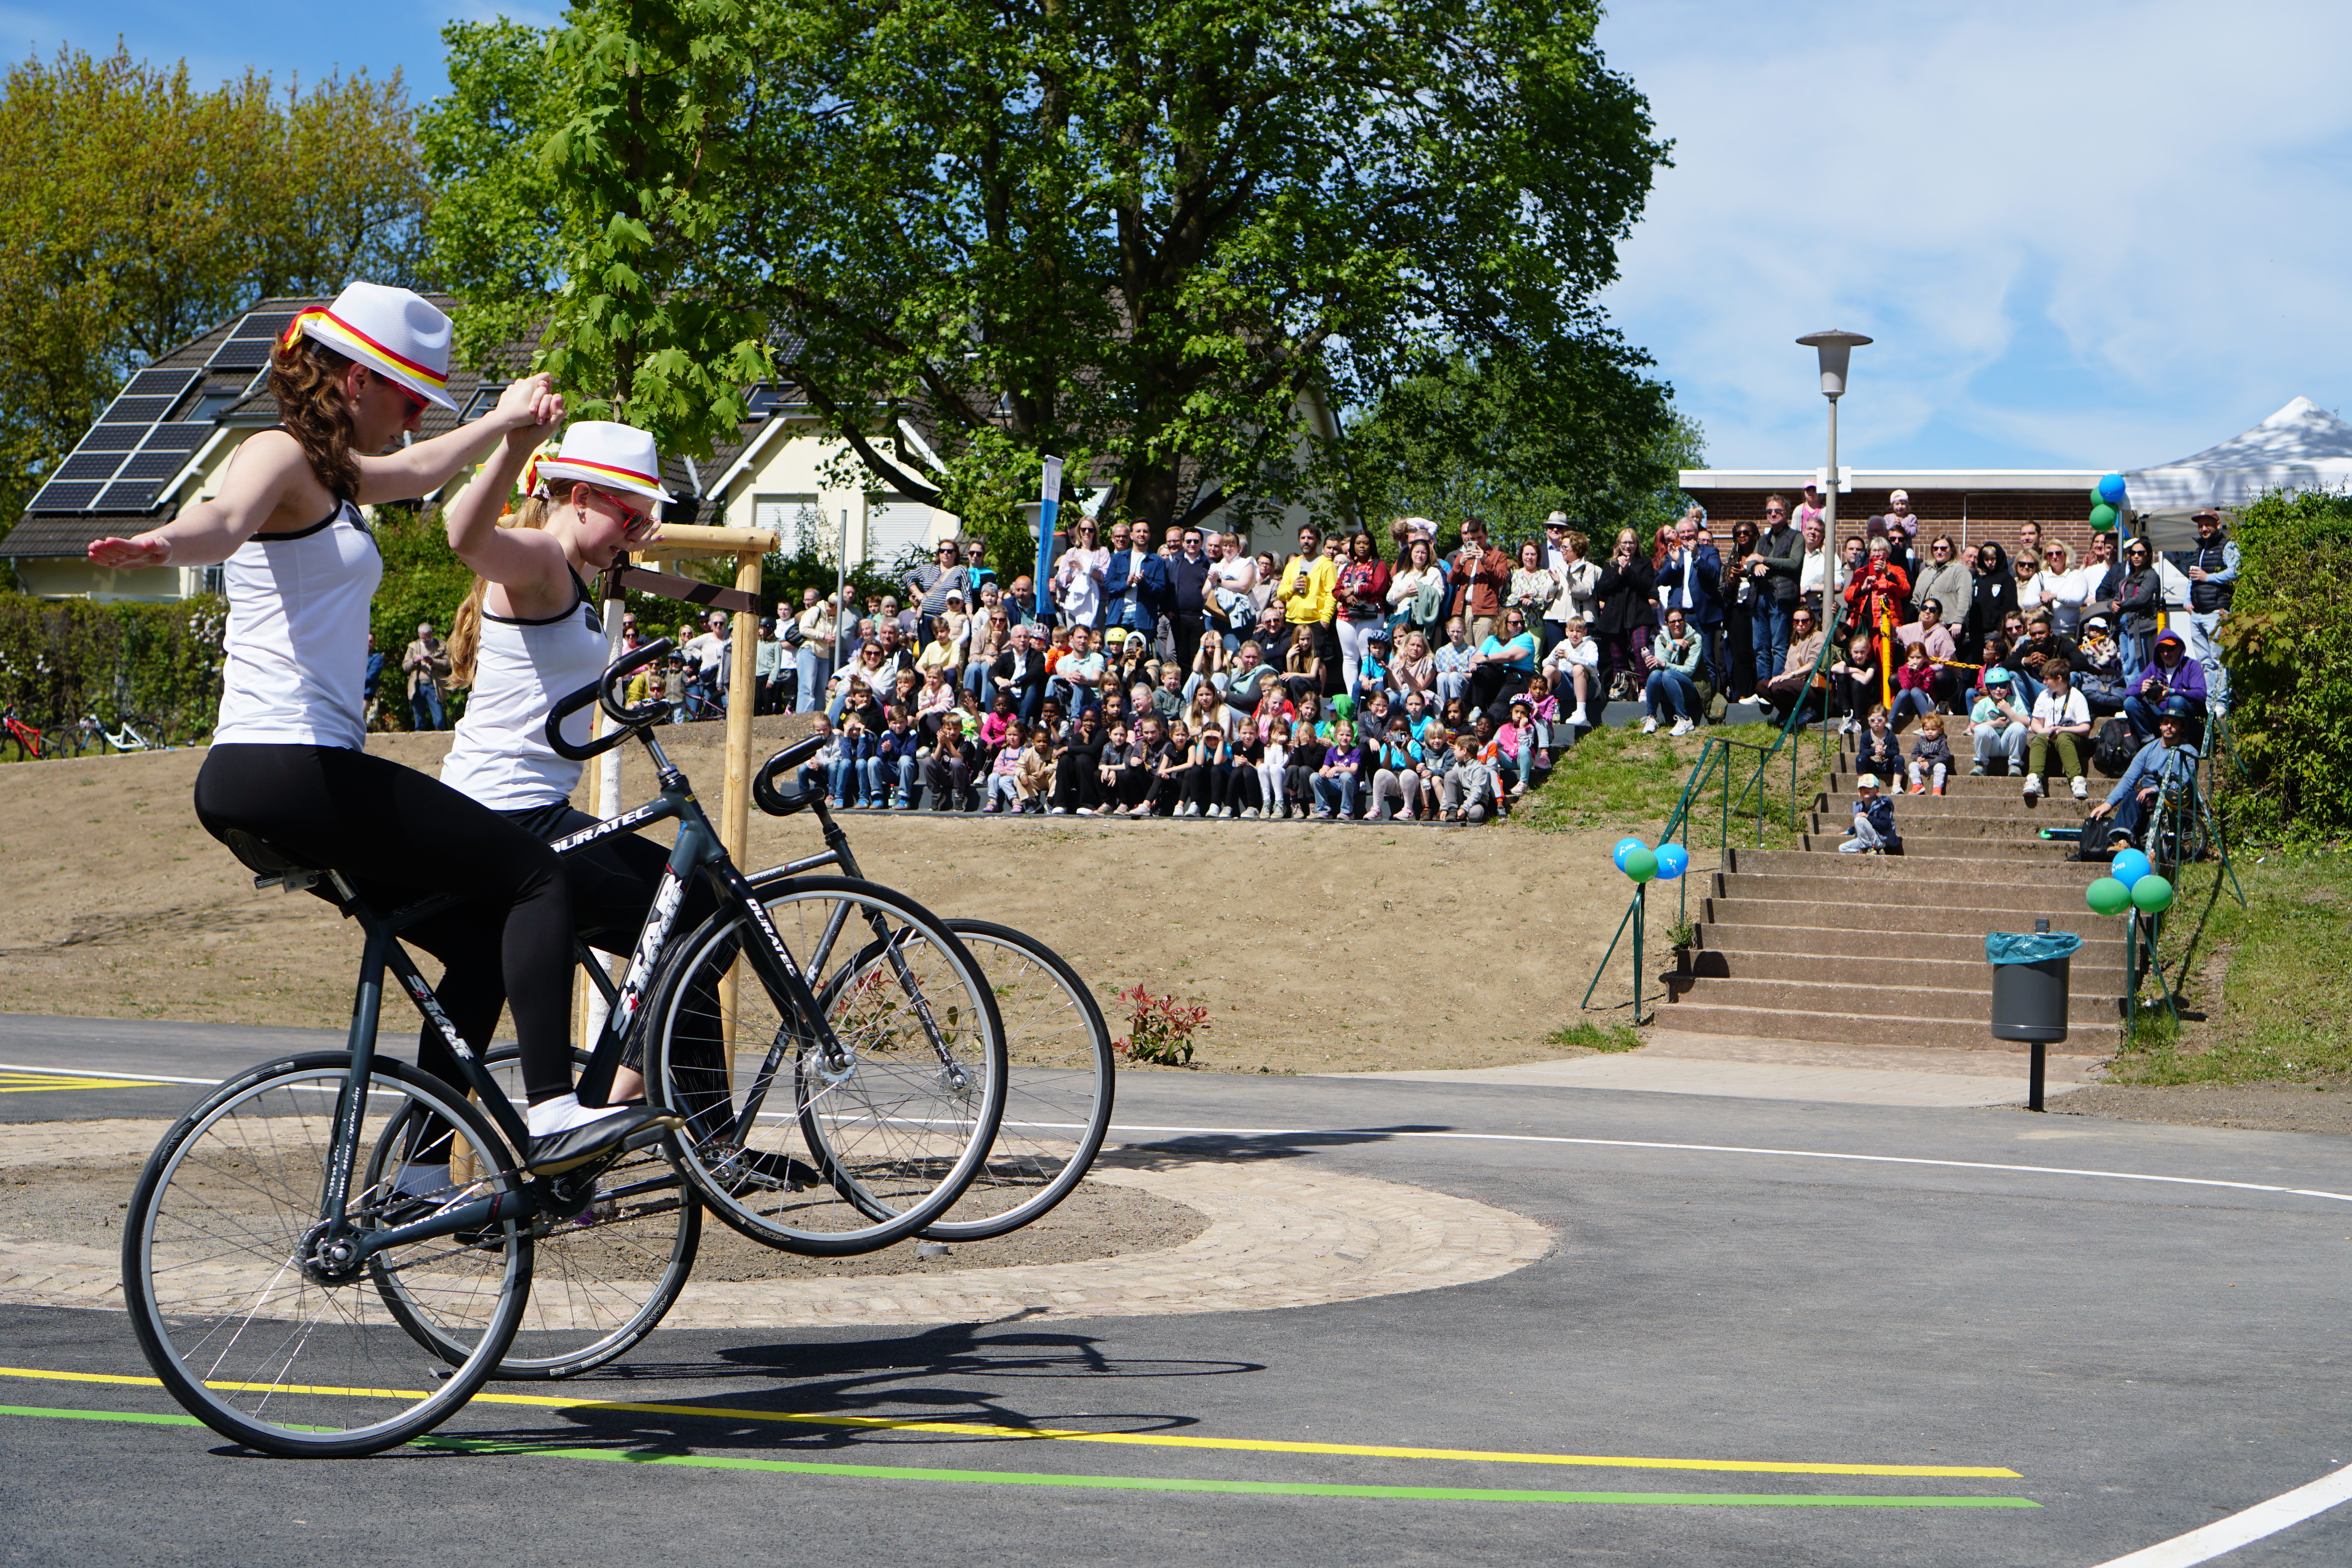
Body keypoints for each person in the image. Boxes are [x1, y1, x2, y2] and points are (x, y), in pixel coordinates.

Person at [86, 283, 668, 1174]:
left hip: (276, 785)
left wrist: (512, 431)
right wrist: (166, 543)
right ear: (355, 381)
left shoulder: (338, 478)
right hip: (288, 770)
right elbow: (223, 520)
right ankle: (555, 1108)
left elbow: (430, 473)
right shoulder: (276, 453)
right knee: (536, 879)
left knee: (480, 942)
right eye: (405, 399)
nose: (412, 418)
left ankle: (419, 1175)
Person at [2085, 697, 2201, 851]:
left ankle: (2149, 849)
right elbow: (2129, 779)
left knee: (2141, 799)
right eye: (2166, 722)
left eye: (2175, 724)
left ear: (2182, 728)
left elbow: (2185, 780)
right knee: (2133, 797)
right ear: (2160, 726)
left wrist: (2156, 790)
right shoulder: (2149, 750)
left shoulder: (2189, 751)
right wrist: (2108, 804)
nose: (2169, 727)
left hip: (2173, 798)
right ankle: (2124, 842)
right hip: (2147, 799)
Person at [1655, 513, 1724, 688]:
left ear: (1697, 532)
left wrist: (1697, 558)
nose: (1687, 535)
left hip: (1703, 616)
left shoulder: (1709, 551)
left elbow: (1714, 575)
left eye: (1690, 532)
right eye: (1683, 532)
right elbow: (1662, 580)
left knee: (1707, 660)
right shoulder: (1674, 553)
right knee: (1680, 659)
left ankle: (1709, 702)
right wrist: (1673, 564)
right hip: (1680, 618)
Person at [1591, 527, 1656, 701]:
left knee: (1641, 649)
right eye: (1625, 542)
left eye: (1631, 542)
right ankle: (1623, 690)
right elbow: (1603, 590)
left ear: (1637, 545)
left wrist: (1629, 572)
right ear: (1619, 544)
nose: (1628, 546)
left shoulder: (1645, 564)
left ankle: (1644, 687)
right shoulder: (1610, 565)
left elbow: (1646, 586)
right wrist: (1620, 573)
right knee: (1618, 659)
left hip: (1639, 615)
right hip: (1615, 618)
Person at [2181, 509, 2238, 706]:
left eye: (2208, 525)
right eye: (2200, 526)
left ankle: (2222, 704)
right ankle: (2210, 705)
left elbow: (2235, 572)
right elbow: (2193, 579)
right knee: (2205, 662)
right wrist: (2187, 600)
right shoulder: (2199, 549)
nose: (2204, 529)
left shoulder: (2228, 546)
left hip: (2217, 611)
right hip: (2197, 614)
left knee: (2219, 660)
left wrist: (2209, 577)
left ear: (2218, 525)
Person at [2024, 658, 2093, 802]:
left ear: (2059, 679)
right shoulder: (2045, 696)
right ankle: (2034, 779)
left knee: (2063, 737)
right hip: (2051, 739)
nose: (2044, 682)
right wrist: (2044, 731)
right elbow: (2036, 722)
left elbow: (2086, 728)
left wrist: (2062, 730)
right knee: (2038, 739)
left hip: (2074, 741)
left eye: (2047, 679)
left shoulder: (2077, 697)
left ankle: (2077, 781)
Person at [1334, 531, 1392, 692]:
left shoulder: (1379, 565)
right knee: (1350, 658)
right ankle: (1354, 695)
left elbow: (1378, 588)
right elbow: (1337, 591)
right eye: (1358, 543)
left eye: (1366, 543)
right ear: (1353, 546)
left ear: (1371, 545)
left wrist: (1354, 590)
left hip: (1370, 614)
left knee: (1369, 656)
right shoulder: (1347, 567)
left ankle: (1372, 695)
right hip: (1346, 615)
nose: (1362, 546)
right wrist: (1347, 597)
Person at [2124, 628, 2209, 739]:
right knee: (2130, 703)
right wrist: (2142, 690)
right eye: (2161, 650)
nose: (2166, 653)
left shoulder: (2192, 665)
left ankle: (2181, 743)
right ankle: (2149, 742)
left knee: (2176, 701)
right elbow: (2129, 691)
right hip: (2163, 717)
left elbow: (2201, 695)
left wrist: (2172, 692)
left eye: (2170, 649)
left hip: (2190, 721)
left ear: (2179, 648)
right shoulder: (2154, 667)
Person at [1754, 604, 1828, 726]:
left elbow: (1813, 665)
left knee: (1778, 688)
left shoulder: (1818, 636)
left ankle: (1810, 710)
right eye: (1796, 621)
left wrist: (1791, 676)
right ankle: (1791, 713)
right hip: (1795, 685)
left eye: (1805, 621)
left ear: (1811, 622)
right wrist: (1778, 679)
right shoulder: (1794, 643)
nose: (1800, 624)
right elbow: (1787, 670)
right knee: (1762, 686)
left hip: (1813, 687)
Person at [1641, 607, 1705, 736]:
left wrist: (1665, 665)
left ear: (1684, 621)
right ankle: (1651, 718)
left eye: (1680, 621)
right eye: (1673, 622)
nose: (1677, 624)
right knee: (1655, 675)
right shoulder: (1661, 640)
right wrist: (1672, 645)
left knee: (1668, 673)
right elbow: (1658, 666)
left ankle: (1684, 720)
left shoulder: (1695, 639)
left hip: (1692, 688)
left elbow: (1689, 671)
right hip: (1668, 687)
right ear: (1667, 624)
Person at [1448, 518, 1511, 644]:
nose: (1476, 542)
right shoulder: (1463, 556)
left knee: (1482, 653)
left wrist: (1485, 561)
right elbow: (1451, 581)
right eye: (1472, 539)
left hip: (1486, 611)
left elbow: (1501, 580)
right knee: (1465, 652)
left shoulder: (1498, 556)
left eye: (1480, 538)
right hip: (1463, 610)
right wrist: (1459, 564)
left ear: (1487, 534)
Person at [1468, 609, 1540, 719]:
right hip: (1500, 674)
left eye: (1522, 622)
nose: (1520, 626)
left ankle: (1491, 722)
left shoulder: (1526, 638)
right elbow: (1476, 657)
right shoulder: (1492, 639)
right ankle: (1476, 709)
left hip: (1519, 676)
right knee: (1481, 672)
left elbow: (1511, 656)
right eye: (1515, 623)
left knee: (1501, 702)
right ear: (1504, 624)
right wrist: (1473, 663)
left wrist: (1486, 658)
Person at [1052, 515, 1110, 629]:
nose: (1087, 532)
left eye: (1091, 530)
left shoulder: (1102, 552)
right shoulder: (1072, 553)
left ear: (1095, 532)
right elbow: (1060, 581)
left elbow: (1105, 577)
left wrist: (1083, 568)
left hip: (1097, 602)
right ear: (1079, 531)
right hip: (1075, 602)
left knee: (1095, 639)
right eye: (1083, 529)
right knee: (1074, 638)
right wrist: (1071, 571)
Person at [1969, 667, 2027, 776]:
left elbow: (2026, 724)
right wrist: (1995, 723)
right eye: (1994, 686)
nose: (1999, 690)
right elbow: (1973, 727)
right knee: (1982, 729)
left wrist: (2009, 712)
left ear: (2008, 686)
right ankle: (1981, 764)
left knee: (2018, 727)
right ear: (1989, 688)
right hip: (1991, 746)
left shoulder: (2015, 701)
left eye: (2003, 686)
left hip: (2008, 745)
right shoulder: (1983, 703)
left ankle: (2015, 765)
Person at [1545, 616, 1601, 728]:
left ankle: (1581, 713)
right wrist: (1554, 658)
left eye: (1579, 631)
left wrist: (1570, 657)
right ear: (1566, 632)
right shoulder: (1563, 644)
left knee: (1578, 668)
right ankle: (1543, 710)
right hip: (1568, 688)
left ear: (1585, 632)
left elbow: (1593, 665)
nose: (1574, 635)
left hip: (1589, 689)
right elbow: (1544, 663)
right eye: (1571, 631)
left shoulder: (1591, 645)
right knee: (1549, 669)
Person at [1965, 541, 2014, 663]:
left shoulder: (2006, 579)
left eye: (1993, 559)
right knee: (1977, 666)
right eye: (1986, 559)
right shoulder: (1980, 581)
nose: (1990, 562)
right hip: (1977, 633)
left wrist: (2000, 629)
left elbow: (2009, 606)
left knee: (1993, 663)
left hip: (1994, 632)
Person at [403, 620, 452, 731]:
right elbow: (405, 667)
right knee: (419, 719)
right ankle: (419, 740)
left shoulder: (441, 646)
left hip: (434, 686)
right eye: (422, 638)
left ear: (431, 634)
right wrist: (414, 660)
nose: (425, 641)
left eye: (427, 638)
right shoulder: (413, 647)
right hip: (417, 686)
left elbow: (447, 664)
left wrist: (432, 662)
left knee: (439, 718)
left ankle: (441, 738)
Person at [1840, 773, 1900, 853]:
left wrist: (1868, 817)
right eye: (1863, 788)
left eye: (1870, 787)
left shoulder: (1882, 806)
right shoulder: (1862, 807)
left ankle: (1868, 848)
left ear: (1877, 792)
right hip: (1869, 840)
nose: (1866, 789)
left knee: (1860, 819)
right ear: (1859, 792)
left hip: (1880, 840)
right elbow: (1862, 826)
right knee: (1842, 848)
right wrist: (1849, 832)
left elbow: (1886, 824)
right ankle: (1865, 852)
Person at [1907, 713, 1954, 796]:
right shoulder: (1922, 740)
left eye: (1933, 730)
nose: (1930, 732)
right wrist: (1917, 759)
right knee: (1912, 765)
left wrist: (1930, 763)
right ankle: (1917, 785)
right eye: (1927, 730)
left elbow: (1945, 756)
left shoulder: (1942, 741)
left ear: (1940, 730)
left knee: (1941, 767)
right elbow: (1915, 753)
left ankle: (1937, 788)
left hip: (1934, 766)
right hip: (1923, 766)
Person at [1855, 705, 1903, 781]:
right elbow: (1862, 752)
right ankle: (1862, 782)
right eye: (1873, 720)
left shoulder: (1891, 735)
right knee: (1860, 759)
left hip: (1887, 765)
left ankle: (1897, 784)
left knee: (1900, 759)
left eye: (1880, 720)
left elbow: (1896, 751)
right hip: (1872, 766)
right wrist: (1873, 751)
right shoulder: (1866, 735)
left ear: (1886, 720)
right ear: (1869, 720)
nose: (1876, 723)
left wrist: (1885, 752)